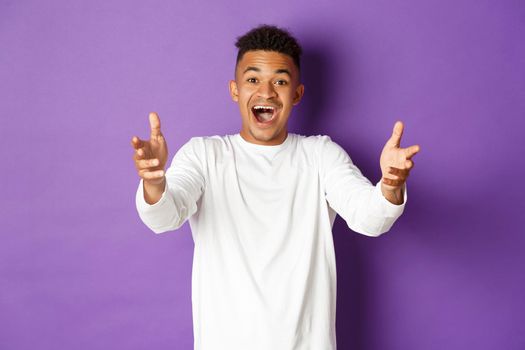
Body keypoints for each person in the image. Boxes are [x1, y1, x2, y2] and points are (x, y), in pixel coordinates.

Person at [130, 24, 420, 350]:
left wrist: (391, 185)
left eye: (280, 81)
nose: (266, 92)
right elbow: (165, 216)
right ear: (235, 90)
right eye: (253, 79)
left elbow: (369, 217)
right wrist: (155, 183)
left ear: (296, 94)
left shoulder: (321, 155)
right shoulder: (204, 154)